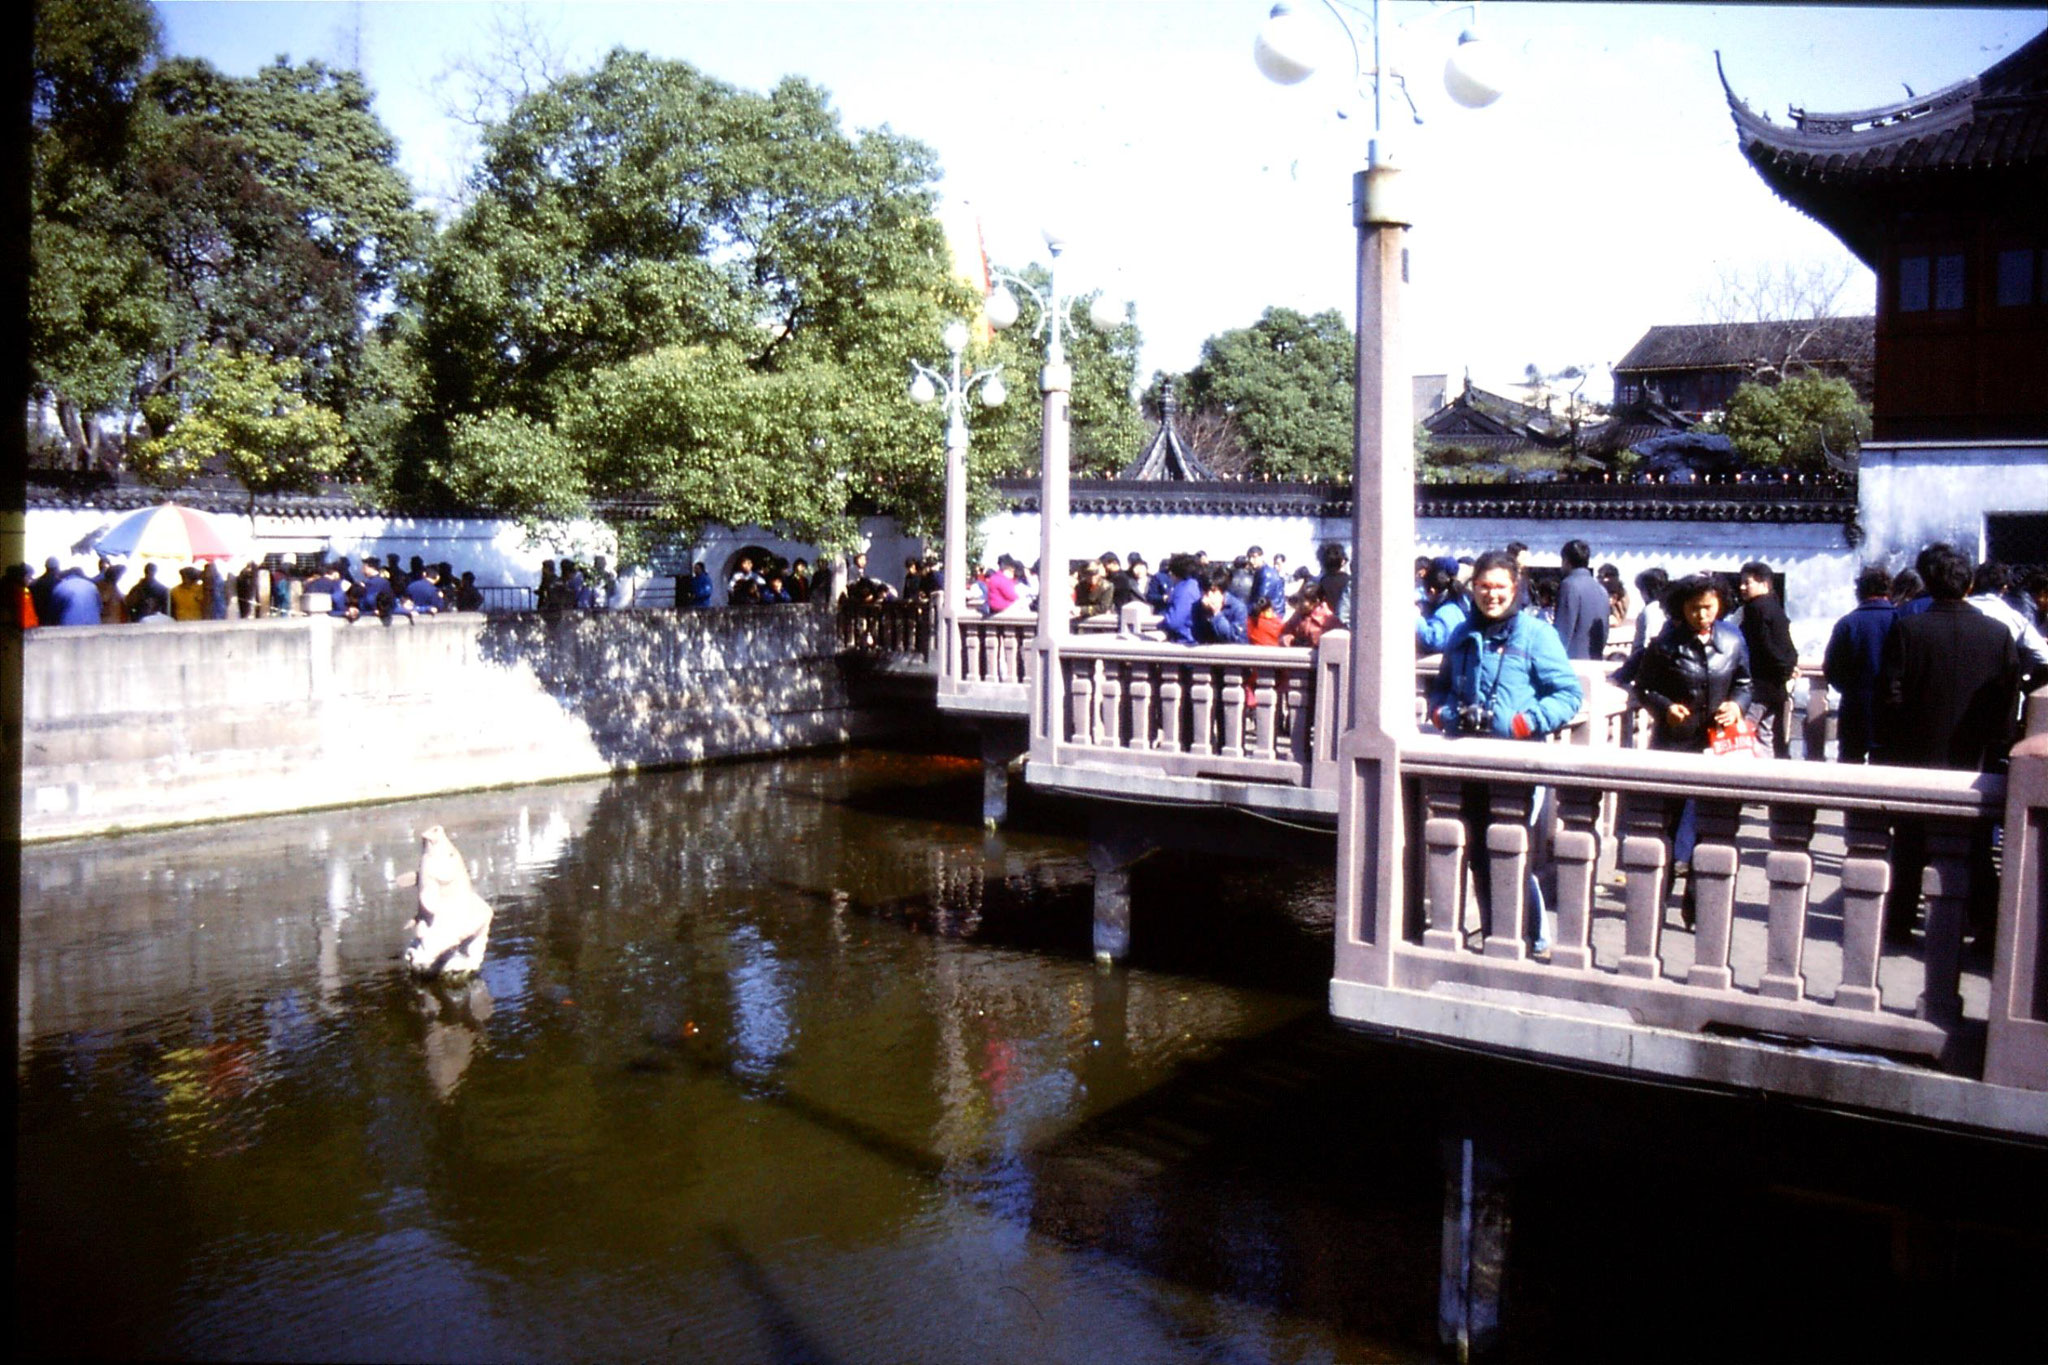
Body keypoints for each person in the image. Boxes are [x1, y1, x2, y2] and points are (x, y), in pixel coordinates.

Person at [1424, 550, 1583, 954]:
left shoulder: (1535, 634)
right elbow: (1440, 688)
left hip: (1519, 762)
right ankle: (1498, 933)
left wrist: (1523, 722)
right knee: (1478, 852)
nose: (1491, 595)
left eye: (1500, 588)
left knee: (1513, 852)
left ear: (1515, 589)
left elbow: (1568, 695)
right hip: (1471, 759)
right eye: (1483, 587)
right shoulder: (1462, 632)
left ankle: (1531, 938)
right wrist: (1444, 715)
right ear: (1472, 588)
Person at [1876, 546, 2019, 945]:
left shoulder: (1909, 631)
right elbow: (2007, 704)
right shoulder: (1998, 634)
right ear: (1969, 585)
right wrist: (1997, 746)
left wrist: (1897, 744)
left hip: (1915, 757)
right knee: (1974, 848)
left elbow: (1889, 696)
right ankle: (1986, 928)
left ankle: (1900, 922)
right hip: (1974, 761)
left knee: (1908, 846)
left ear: (1928, 584)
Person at [1630, 573, 1753, 923]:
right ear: (1681, 609)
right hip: (1675, 742)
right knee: (1665, 823)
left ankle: (1698, 904)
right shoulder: (1666, 644)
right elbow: (1644, 687)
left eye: (1708, 608)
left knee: (1713, 824)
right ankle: (1656, 900)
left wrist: (1737, 706)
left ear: (1720, 606)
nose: (1701, 616)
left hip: (1719, 743)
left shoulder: (1732, 640)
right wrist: (1665, 707)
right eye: (1694, 609)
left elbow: (1744, 682)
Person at [1821, 564, 1897, 764]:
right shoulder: (1900, 619)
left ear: (1860, 591)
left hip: (1854, 705)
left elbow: (1832, 668)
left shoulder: (1848, 623)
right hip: (1891, 709)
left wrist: (1849, 688)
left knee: (1850, 765)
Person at [1735, 561, 1799, 758]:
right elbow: (1787, 647)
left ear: (1764, 584)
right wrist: (1787, 669)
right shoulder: (1775, 608)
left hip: (1758, 686)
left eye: (1748, 583)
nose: (1742, 587)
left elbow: (1764, 646)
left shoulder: (1754, 609)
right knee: (1766, 735)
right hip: (1776, 687)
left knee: (1741, 733)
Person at [1551, 538, 1607, 660]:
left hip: (1572, 662)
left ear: (1566, 561)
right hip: (1595, 659)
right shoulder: (1601, 589)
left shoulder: (1569, 585)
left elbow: (1563, 631)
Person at [1415, 555, 1468, 656]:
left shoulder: (1446, 612)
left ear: (1432, 591)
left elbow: (1433, 641)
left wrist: (1416, 619)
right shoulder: (1462, 600)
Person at [48, 557, 103, 626]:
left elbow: (54, 610)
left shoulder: (60, 587)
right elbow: (100, 606)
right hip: (93, 624)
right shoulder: (91, 586)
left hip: (69, 626)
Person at [1280, 581, 1336, 648]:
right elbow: (1284, 633)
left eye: (1302, 601)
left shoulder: (1328, 619)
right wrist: (1290, 640)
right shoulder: (1297, 616)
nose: (1299, 604)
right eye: (1298, 600)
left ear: (1315, 601)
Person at [1315, 543, 1351, 628]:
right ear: (1342, 562)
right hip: (1344, 625)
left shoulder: (1321, 582)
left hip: (1325, 623)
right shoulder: (1348, 581)